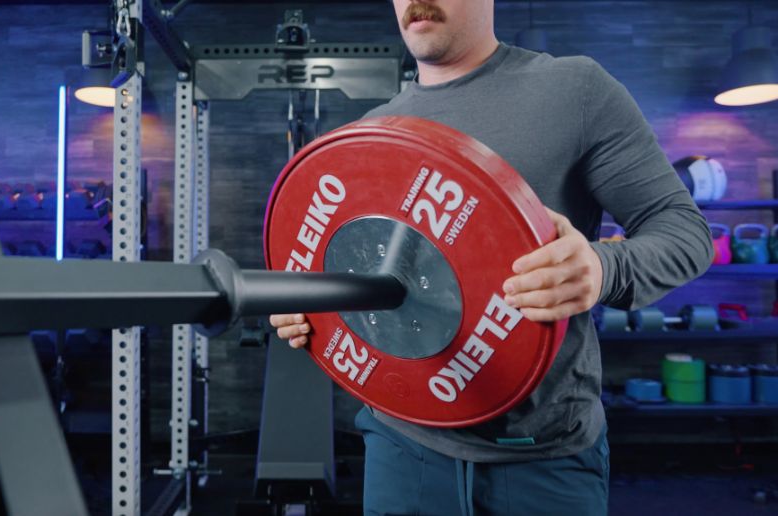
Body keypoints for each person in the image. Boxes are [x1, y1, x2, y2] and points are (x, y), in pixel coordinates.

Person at [270, 0, 713, 514]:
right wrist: (311, 312)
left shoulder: (575, 90)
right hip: (401, 450)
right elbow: (375, 289)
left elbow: (685, 234)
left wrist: (600, 268)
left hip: (541, 459)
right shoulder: (371, 132)